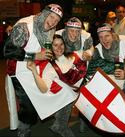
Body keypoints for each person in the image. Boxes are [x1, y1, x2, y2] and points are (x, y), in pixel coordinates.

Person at [3, 4, 63, 137]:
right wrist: (35, 56)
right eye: (52, 17)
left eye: (57, 20)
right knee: (28, 107)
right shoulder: (25, 27)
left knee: (53, 91)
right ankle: (23, 130)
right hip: (19, 70)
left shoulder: (51, 28)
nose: (53, 22)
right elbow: (7, 51)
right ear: (43, 14)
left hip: (37, 68)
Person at [27, 34, 87, 137]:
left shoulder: (75, 54)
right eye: (55, 45)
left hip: (83, 92)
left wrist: (90, 52)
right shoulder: (50, 66)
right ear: (50, 47)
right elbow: (44, 89)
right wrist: (34, 72)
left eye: (61, 44)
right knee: (67, 94)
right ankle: (60, 125)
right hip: (69, 97)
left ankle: (81, 120)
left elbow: (88, 49)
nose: (59, 48)